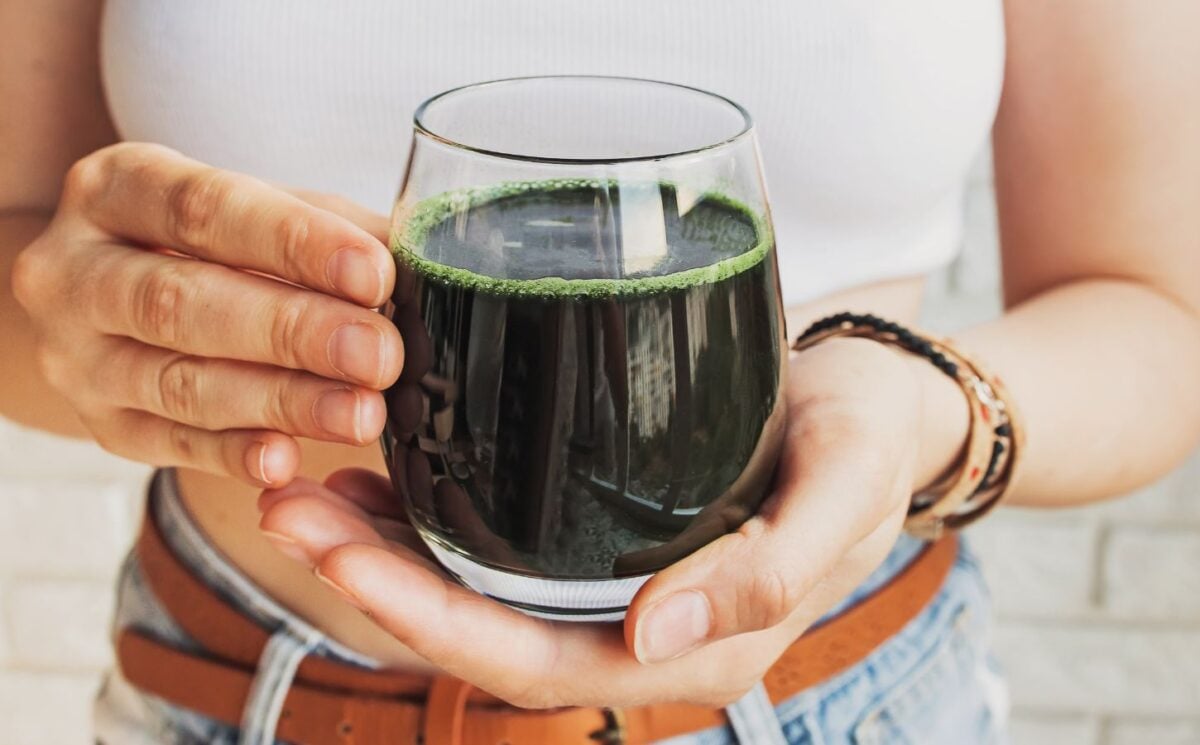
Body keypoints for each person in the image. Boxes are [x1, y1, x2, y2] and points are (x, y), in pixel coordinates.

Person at [2, 1, 1197, 743]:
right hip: (236, 696)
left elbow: (1159, 314)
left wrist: (917, 405)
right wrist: (93, 335)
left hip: (851, 704)